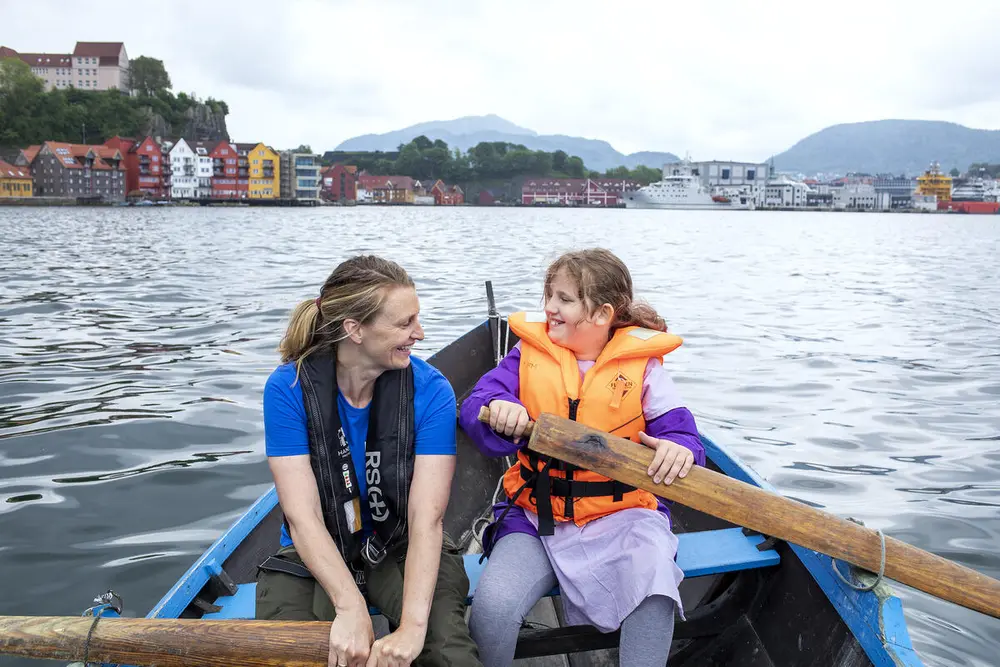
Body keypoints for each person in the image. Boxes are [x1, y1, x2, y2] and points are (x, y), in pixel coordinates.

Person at [458, 248, 706, 667]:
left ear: (602, 314)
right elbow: (476, 404)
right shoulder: (526, 356)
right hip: (536, 518)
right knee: (492, 609)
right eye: (549, 296)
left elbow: (682, 433)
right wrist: (501, 407)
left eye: (564, 299)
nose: (549, 308)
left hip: (623, 516)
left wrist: (680, 450)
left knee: (657, 592)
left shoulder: (644, 370)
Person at [256, 255, 482, 667]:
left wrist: (413, 631)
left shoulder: (431, 391)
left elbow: (426, 519)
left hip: (402, 543)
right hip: (316, 550)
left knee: (449, 654)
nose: (419, 333)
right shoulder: (287, 389)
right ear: (354, 330)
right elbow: (302, 517)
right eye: (405, 323)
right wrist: (349, 606)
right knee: (287, 655)